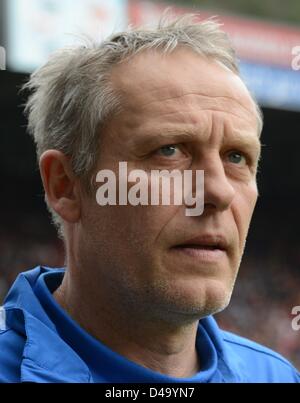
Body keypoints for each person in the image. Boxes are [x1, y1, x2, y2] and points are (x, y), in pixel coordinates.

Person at [0, 14, 299, 383]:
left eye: (236, 157)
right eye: (169, 150)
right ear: (66, 185)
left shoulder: (275, 376)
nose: (219, 192)